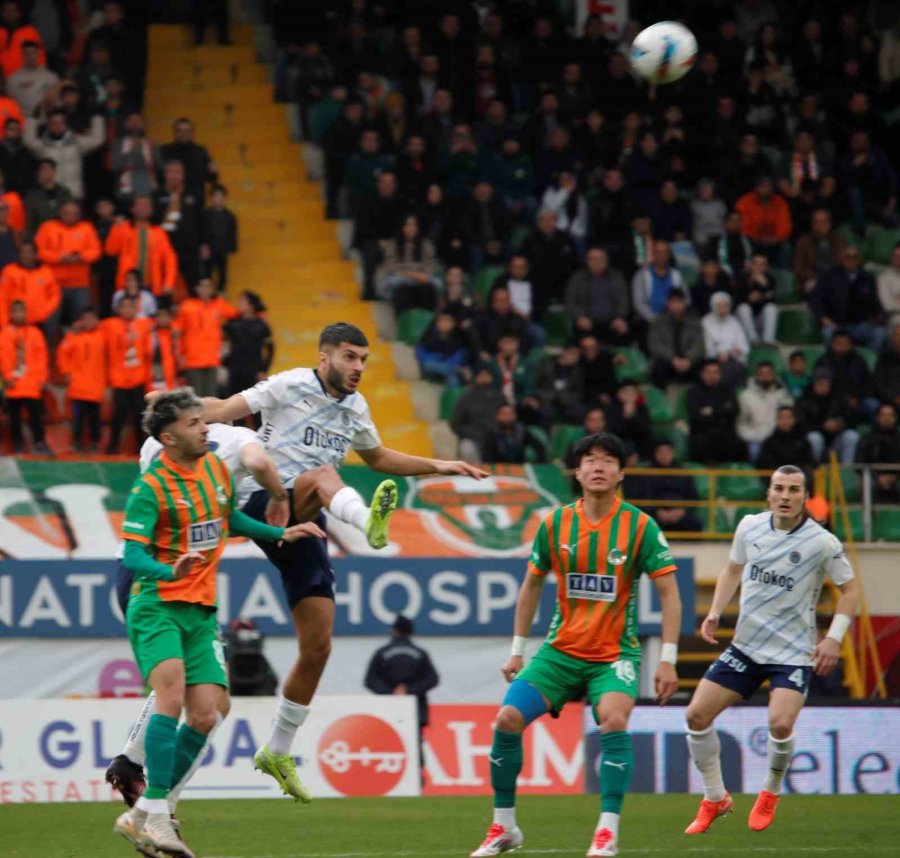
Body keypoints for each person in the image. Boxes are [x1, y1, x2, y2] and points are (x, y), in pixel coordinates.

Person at [194, 322, 487, 801]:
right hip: (262, 502)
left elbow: (379, 460)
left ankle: (278, 750)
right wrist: (175, 409)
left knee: (319, 645)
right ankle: (366, 519)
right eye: (349, 357)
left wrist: (440, 465)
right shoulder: (289, 384)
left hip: (306, 518)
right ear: (324, 356)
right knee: (324, 473)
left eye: (364, 360)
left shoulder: (356, 408)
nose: (358, 368)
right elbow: (225, 410)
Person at [115, 389, 320, 858]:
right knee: (170, 698)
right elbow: (131, 554)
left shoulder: (212, 469)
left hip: (200, 609)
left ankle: (140, 816)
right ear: (168, 437)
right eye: (193, 423)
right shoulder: (151, 487)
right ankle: (161, 819)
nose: (205, 427)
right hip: (157, 604)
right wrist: (171, 570)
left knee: (207, 712)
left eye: (202, 420)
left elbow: (228, 520)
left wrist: (280, 533)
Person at [469, 431, 681, 858]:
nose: (598, 466)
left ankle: (606, 833)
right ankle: (504, 827)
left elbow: (670, 595)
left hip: (615, 656)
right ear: (578, 471)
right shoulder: (554, 523)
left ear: (621, 473)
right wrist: (516, 649)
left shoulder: (641, 526)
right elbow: (530, 585)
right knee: (507, 719)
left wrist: (668, 660)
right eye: (589, 459)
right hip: (560, 652)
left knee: (614, 721)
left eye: (607, 460)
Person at [683, 465, 858, 835]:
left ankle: (770, 792)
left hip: (793, 652)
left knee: (779, 723)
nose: (785, 496)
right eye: (778, 488)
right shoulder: (749, 526)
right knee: (696, 716)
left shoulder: (821, 542)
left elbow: (852, 592)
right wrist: (715, 610)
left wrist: (833, 638)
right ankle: (715, 797)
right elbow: (732, 569)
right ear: (768, 493)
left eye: (794, 490)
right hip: (746, 647)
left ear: (804, 497)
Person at [364, 614, 439, 766]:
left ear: (394, 630)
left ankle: (391, 776)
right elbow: (433, 679)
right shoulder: (420, 654)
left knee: (389, 743)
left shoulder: (382, 653)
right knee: (415, 744)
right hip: (416, 708)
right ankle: (417, 778)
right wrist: (410, 691)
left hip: (388, 709)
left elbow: (370, 681)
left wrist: (390, 693)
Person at [34, 199, 102, 327]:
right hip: (54, 284)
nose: (72, 216)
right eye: (68, 213)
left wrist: (80, 257)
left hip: (80, 284)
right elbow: (40, 252)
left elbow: (96, 251)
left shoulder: (86, 228)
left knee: (81, 322)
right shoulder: (48, 227)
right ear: (60, 213)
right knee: (50, 321)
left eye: (75, 213)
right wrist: (60, 257)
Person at [0, 298, 50, 454]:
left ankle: (40, 443)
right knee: (14, 418)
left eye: (21, 311)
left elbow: (42, 357)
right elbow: (3, 357)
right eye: (15, 311)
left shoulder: (35, 333)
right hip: (13, 384)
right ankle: (17, 445)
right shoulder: (5, 333)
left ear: (27, 313)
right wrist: (8, 377)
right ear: (10, 314)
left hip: (31, 383)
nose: (19, 315)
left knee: (36, 416)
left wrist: (41, 378)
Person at [175, 278, 237, 397]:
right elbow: (178, 331)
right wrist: (180, 354)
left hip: (211, 359)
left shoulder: (218, 305)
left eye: (209, 286)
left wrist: (260, 314)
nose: (206, 289)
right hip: (193, 360)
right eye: (203, 286)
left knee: (211, 397)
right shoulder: (187, 306)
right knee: (196, 398)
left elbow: (236, 314)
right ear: (197, 289)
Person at [57, 306, 105, 452]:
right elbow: (62, 354)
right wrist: (66, 372)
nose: (89, 321)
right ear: (81, 320)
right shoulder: (72, 336)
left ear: (97, 320)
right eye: (86, 318)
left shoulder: (103, 335)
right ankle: (77, 442)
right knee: (78, 419)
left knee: (95, 419)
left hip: (95, 385)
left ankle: (95, 444)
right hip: (77, 385)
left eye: (92, 318)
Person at [737, 361, 794, 462]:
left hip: (778, 437)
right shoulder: (746, 396)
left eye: (768, 373)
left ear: (774, 375)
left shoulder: (783, 395)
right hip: (756, 438)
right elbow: (741, 422)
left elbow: (789, 418)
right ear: (756, 376)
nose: (765, 377)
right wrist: (753, 436)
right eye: (761, 373)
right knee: (754, 450)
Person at [648, 287, 704, 387]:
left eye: (679, 302)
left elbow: (699, 344)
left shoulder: (694, 320)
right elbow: (655, 345)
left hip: (687, 360)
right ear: (668, 303)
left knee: (704, 368)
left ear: (685, 303)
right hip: (668, 359)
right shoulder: (658, 321)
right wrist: (673, 359)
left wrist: (689, 359)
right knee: (659, 368)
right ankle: (662, 399)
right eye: (673, 302)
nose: (676, 305)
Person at [451, 362, 507, 463]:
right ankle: (476, 475)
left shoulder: (500, 397)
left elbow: (508, 416)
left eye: (487, 374)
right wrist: (474, 433)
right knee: (467, 448)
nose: (485, 377)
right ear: (476, 376)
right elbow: (456, 424)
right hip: (473, 437)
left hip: (497, 437)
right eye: (481, 374)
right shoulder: (465, 398)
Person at [223, 290, 273, 396]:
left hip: (253, 370)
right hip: (235, 370)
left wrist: (264, 370)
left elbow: (270, 349)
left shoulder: (261, 325)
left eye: (242, 301)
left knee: (254, 404)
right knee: (233, 402)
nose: (239, 304)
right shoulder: (232, 323)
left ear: (251, 305)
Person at [757, 406, 816, 476]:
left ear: (794, 419)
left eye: (789, 417)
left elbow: (809, 462)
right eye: (781, 417)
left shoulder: (802, 441)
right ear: (776, 419)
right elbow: (765, 466)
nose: (785, 421)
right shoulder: (769, 443)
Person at [202, 184, 236, 290]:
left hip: (222, 249)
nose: (218, 199)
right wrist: (203, 246)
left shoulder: (230, 216)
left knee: (223, 274)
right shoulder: (205, 214)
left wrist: (231, 248)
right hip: (209, 250)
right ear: (211, 198)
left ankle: (221, 293)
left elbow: (232, 233)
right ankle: (207, 293)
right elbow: (201, 232)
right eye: (215, 196)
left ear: (225, 198)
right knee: (206, 273)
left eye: (221, 196)